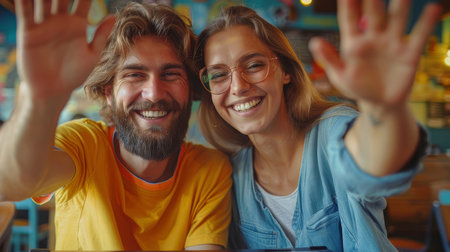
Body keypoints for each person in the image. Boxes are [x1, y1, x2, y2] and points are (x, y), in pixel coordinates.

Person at [193, 0, 441, 251]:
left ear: (285, 71)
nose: (238, 87)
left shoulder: (331, 132)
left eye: (254, 65)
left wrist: (383, 111)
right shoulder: (229, 177)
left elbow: (371, 160)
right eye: (218, 75)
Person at [0, 1, 231, 250]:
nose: (153, 93)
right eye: (134, 75)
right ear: (108, 92)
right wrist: (40, 99)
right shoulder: (84, 145)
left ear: (190, 88)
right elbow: (9, 183)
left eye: (170, 74)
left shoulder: (209, 170)